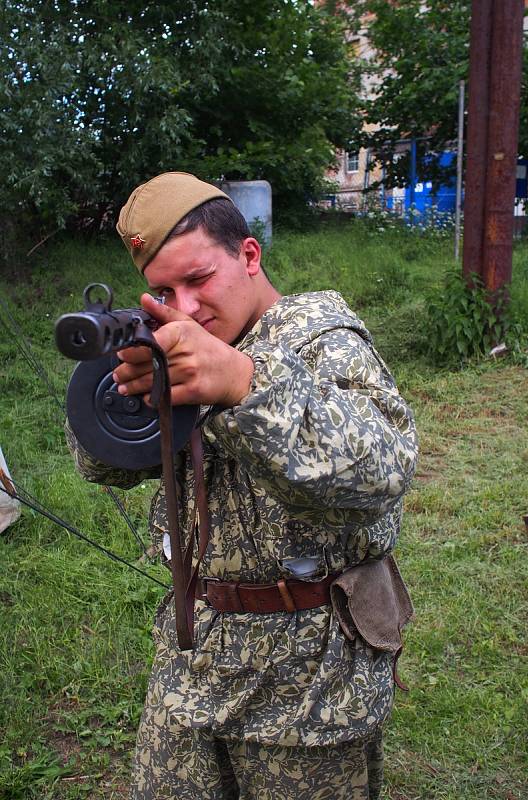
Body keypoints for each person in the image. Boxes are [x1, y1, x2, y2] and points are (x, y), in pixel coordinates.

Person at [67, 171, 418, 800]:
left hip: (309, 683)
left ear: (248, 255)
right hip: (193, 661)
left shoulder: (321, 338)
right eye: (164, 292)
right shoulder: (180, 344)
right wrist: (116, 394)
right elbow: (107, 466)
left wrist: (243, 384)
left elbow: (384, 468)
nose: (188, 307)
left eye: (198, 280)